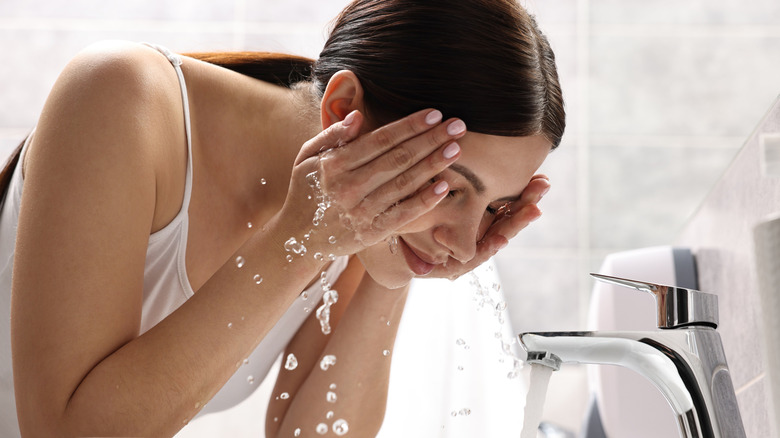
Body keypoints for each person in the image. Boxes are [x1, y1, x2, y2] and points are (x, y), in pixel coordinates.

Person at [0, 0, 565, 436]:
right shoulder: (119, 96)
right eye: (448, 187)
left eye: (496, 207)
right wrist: (297, 241)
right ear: (345, 112)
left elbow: (313, 431)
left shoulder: (347, 216)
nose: (466, 248)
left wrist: (395, 275)